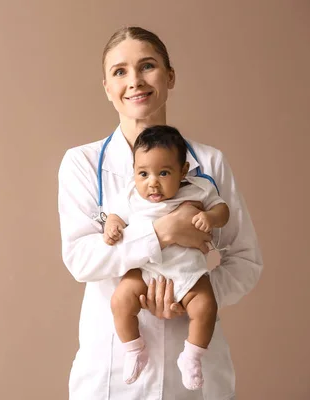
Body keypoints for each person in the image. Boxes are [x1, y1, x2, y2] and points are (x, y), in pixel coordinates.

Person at [57, 26, 263, 400]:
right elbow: (81, 260)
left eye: (147, 66)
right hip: (112, 371)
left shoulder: (210, 163)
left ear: (169, 76)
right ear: (107, 87)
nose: (134, 81)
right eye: (120, 71)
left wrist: (187, 293)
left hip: (195, 369)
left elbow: (246, 260)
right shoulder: (82, 163)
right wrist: (162, 233)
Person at [103, 125, 229, 390]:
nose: (152, 182)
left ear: (183, 171)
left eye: (163, 173)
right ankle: (134, 348)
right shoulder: (130, 196)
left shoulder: (199, 189)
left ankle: (192, 357)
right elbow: (115, 215)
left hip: (188, 273)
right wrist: (112, 224)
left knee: (206, 306)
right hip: (146, 270)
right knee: (120, 300)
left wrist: (210, 217)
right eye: (143, 174)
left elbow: (223, 211)